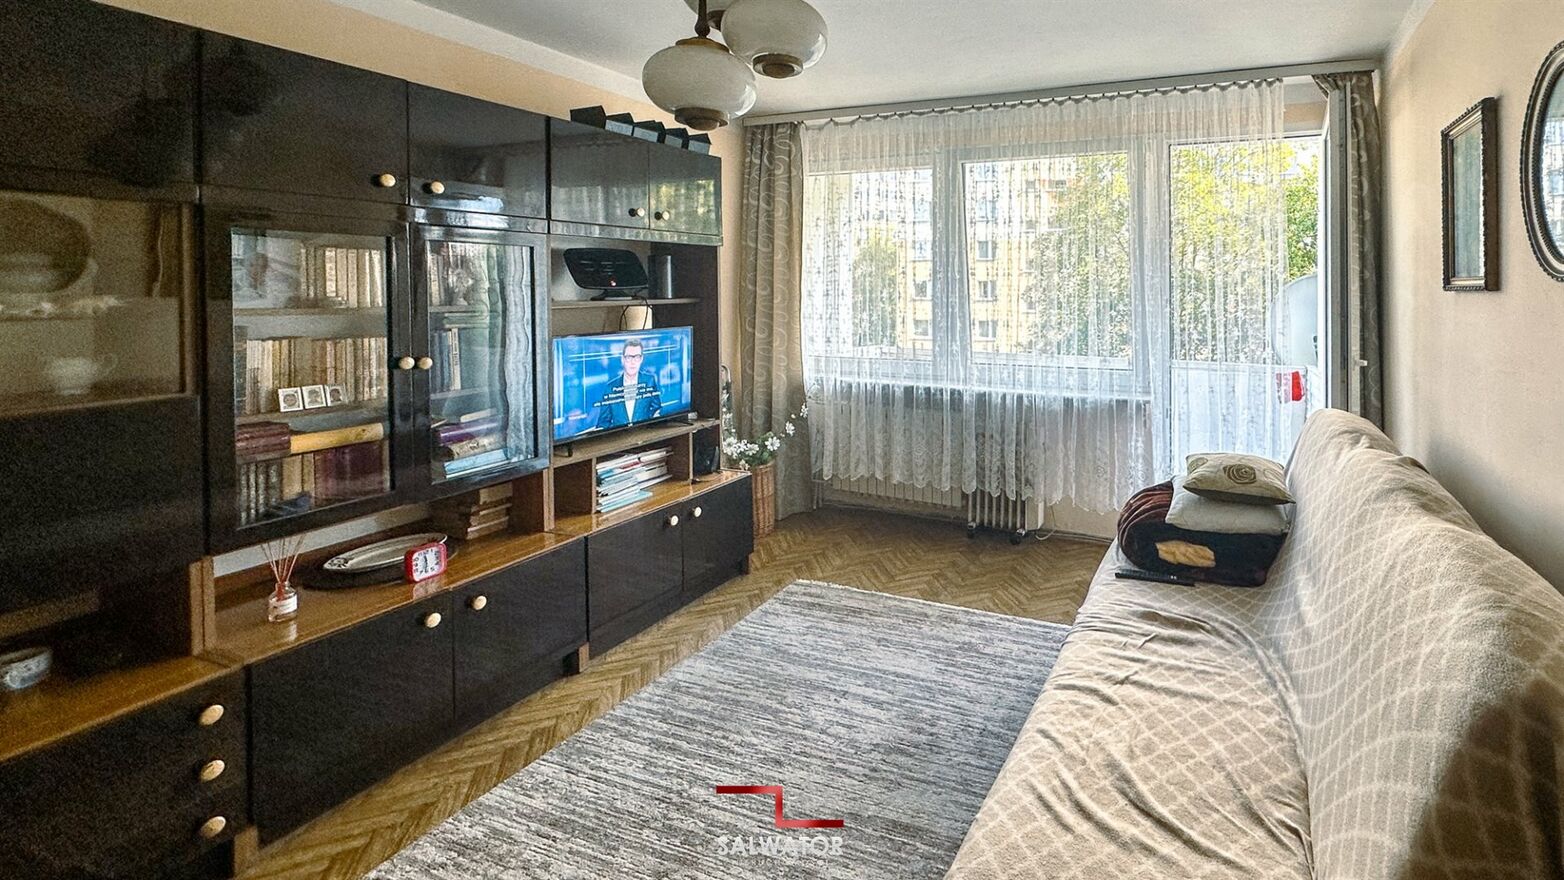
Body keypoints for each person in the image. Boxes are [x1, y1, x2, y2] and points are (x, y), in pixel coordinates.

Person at [593, 338, 663, 430]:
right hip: (620, 437)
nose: (632, 362)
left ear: (641, 359)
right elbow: (603, 422)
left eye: (637, 357)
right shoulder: (610, 387)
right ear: (622, 359)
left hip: (644, 434)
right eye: (629, 357)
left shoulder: (650, 380)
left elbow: (656, 409)